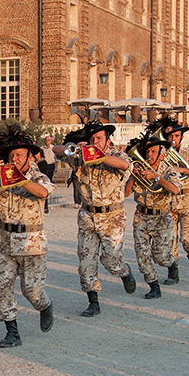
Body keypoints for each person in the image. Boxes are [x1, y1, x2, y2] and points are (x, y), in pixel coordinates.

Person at [53, 122, 136, 317]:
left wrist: (100, 156)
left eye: (98, 139)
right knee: (86, 262)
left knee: (111, 261)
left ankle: (123, 271)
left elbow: (125, 165)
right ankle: (93, 301)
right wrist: (74, 147)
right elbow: (55, 150)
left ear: (108, 140)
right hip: (88, 217)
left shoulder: (117, 156)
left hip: (112, 217)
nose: (94, 142)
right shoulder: (81, 157)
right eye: (92, 139)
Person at [0, 127, 55, 347]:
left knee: (32, 291)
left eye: (18, 155)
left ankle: (45, 306)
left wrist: (19, 180)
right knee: (3, 288)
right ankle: (12, 331)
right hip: (5, 241)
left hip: (31, 242)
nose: (14, 158)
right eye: (11, 155)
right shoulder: (1, 176)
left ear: (30, 156)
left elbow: (43, 192)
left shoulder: (39, 176)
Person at [125, 134, 181, 299]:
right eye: (147, 152)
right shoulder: (139, 169)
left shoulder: (169, 171)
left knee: (160, 256)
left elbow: (175, 189)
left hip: (162, 218)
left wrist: (156, 177)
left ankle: (171, 265)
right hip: (142, 217)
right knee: (141, 255)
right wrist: (133, 176)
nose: (149, 155)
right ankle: (153, 285)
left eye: (153, 151)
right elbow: (125, 193)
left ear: (161, 155)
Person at [159, 119, 189, 275]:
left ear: (181, 137)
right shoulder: (161, 155)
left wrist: (182, 169)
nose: (173, 139)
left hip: (188, 200)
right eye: (170, 136)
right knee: (169, 240)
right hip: (168, 200)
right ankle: (173, 271)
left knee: (187, 238)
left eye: (177, 136)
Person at [38, 135, 57, 213]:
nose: (47, 141)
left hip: (51, 164)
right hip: (43, 165)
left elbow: (55, 158)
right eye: (46, 140)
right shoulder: (42, 148)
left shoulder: (53, 148)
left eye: (48, 140)